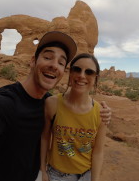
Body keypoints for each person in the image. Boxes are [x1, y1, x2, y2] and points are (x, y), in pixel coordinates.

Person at [0, 31, 112, 181]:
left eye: (61, 62)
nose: (54, 65)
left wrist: (104, 112)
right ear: (33, 61)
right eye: (48, 57)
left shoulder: (50, 102)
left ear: (63, 71)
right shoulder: (3, 101)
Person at [40, 53, 106, 181]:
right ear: (70, 73)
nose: (82, 75)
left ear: (95, 78)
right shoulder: (52, 104)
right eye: (77, 69)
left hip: (86, 175)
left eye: (89, 72)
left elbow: (98, 152)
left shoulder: (100, 112)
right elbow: (45, 138)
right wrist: (42, 169)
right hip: (57, 175)